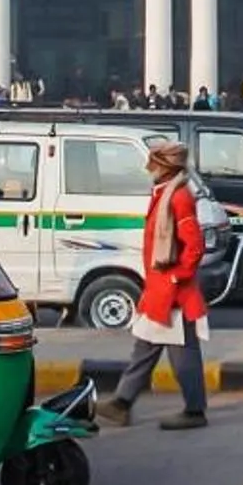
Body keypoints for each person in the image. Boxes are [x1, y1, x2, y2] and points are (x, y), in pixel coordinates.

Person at [97, 140, 208, 432]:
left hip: (173, 291)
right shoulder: (166, 193)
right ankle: (122, 403)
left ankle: (194, 410)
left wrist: (176, 277)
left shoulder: (179, 197)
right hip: (161, 289)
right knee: (146, 347)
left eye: (155, 165)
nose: (151, 170)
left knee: (181, 354)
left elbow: (194, 246)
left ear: (166, 168)